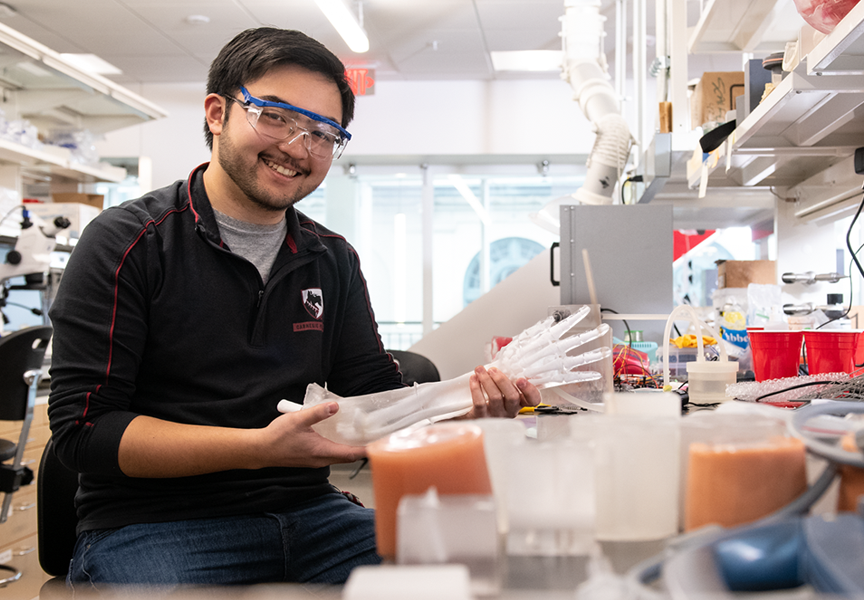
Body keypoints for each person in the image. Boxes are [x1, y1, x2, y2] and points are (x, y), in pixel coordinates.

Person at [47, 27, 541, 588]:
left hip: (315, 517)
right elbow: (83, 431)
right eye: (276, 116)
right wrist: (260, 448)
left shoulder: (330, 258)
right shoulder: (128, 243)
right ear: (216, 113)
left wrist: (461, 413)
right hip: (156, 525)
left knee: (481, 577)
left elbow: (374, 396)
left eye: (323, 133)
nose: (298, 147)